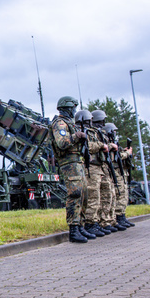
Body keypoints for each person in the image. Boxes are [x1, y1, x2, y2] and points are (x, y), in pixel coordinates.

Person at [49, 97, 95, 243]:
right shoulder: (59, 123)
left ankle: (80, 225)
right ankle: (73, 229)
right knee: (75, 194)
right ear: (67, 108)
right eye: (73, 108)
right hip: (69, 163)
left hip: (77, 162)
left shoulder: (70, 123)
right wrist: (77, 136)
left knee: (83, 194)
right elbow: (62, 143)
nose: (75, 111)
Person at [91, 110, 124, 231]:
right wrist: (108, 146)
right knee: (99, 196)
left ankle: (108, 220)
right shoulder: (92, 133)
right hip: (96, 167)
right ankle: (101, 221)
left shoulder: (99, 134)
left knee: (110, 195)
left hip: (104, 167)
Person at [103, 123, 134, 228]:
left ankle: (122, 216)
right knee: (119, 194)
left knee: (123, 195)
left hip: (121, 172)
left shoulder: (114, 144)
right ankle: (118, 217)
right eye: (113, 131)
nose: (115, 133)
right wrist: (127, 154)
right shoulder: (108, 144)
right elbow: (116, 158)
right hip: (115, 172)